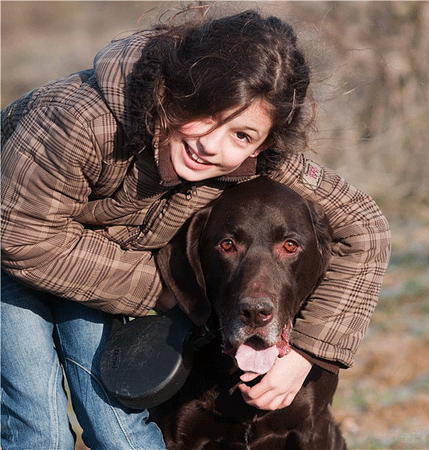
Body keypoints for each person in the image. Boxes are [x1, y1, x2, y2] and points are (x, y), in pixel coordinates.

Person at [1, 9, 391, 450]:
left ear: (263, 143)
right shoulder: (77, 120)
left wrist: (307, 352)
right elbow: (20, 236)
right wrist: (168, 289)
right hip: (10, 256)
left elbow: (366, 227)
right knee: (39, 422)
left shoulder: (251, 158)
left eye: (242, 134)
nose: (212, 145)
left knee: (118, 426)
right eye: (208, 113)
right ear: (180, 89)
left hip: (93, 267)